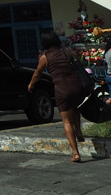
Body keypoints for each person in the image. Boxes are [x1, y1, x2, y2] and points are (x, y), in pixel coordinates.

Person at [28, 30, 85, 162]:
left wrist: (31, 85)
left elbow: (37, 74)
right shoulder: (68, 51)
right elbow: (79, 64)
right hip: (77, 87)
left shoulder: (45, 57)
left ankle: (76, 153)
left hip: (62, 89)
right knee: (75, 108)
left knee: (66, 121)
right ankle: (79, 132)